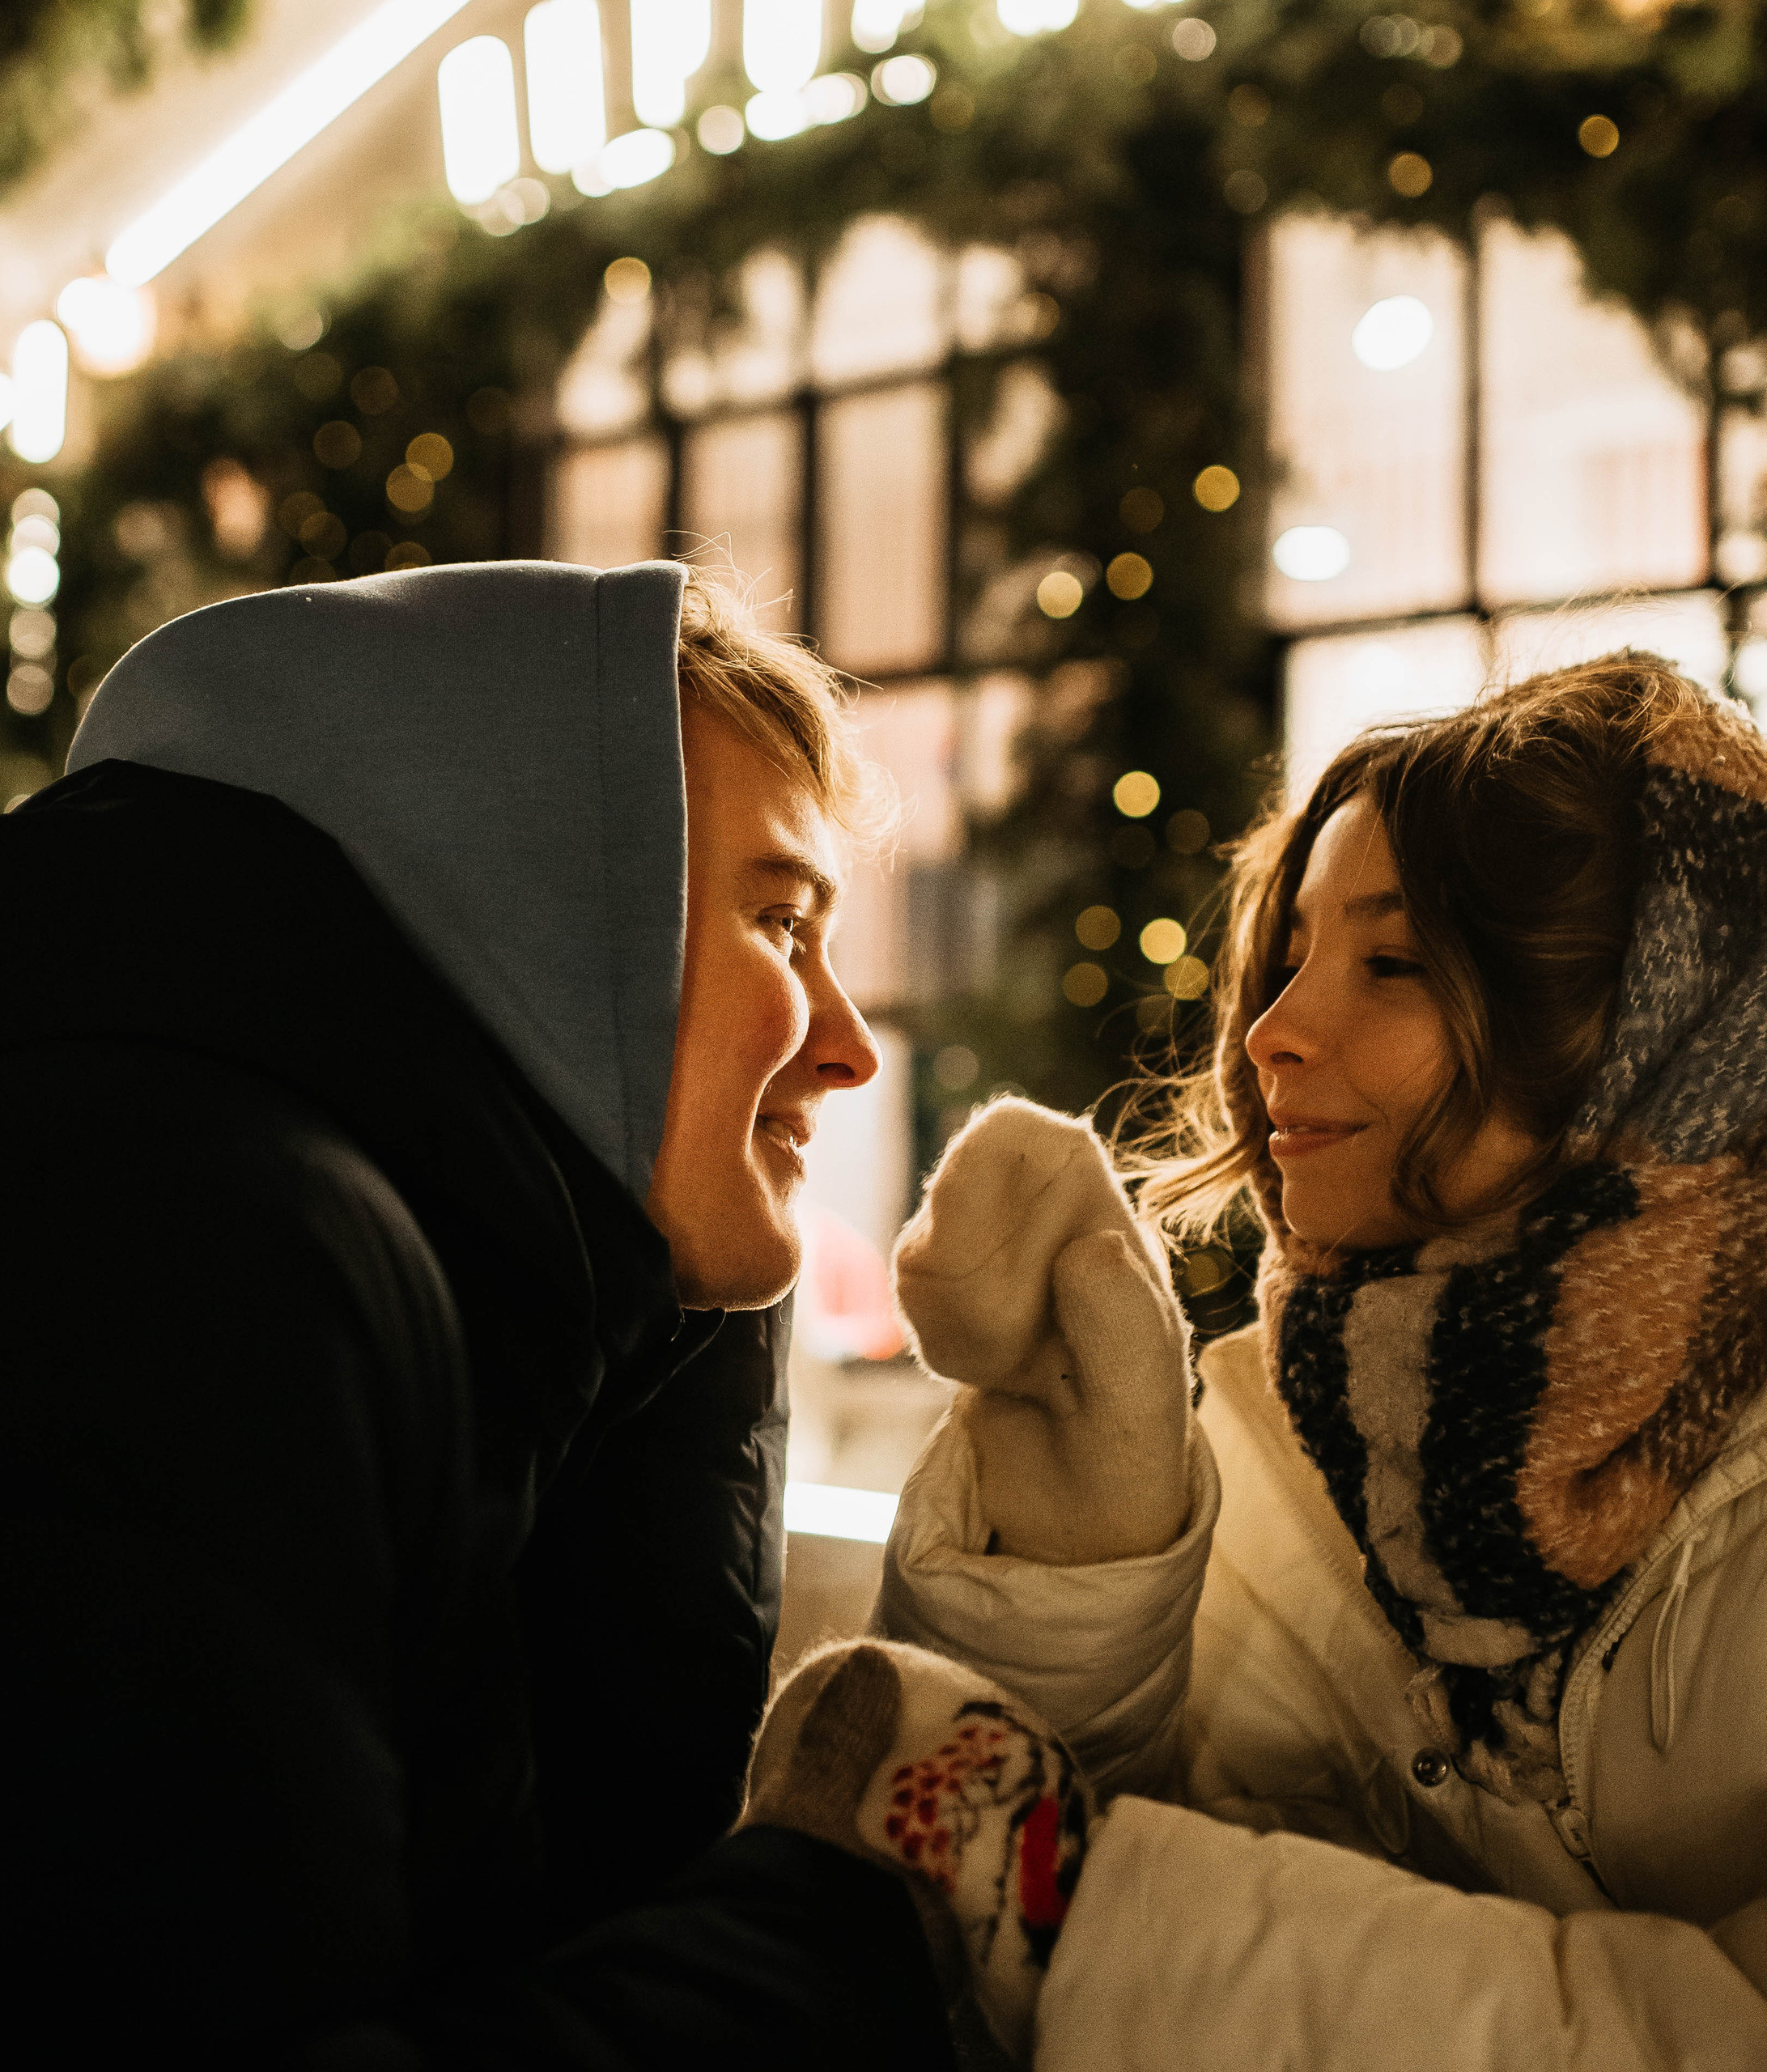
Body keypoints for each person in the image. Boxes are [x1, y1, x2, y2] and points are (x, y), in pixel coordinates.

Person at [0, 559, 973, 2070]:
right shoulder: (163, 1265)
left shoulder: (301, 1239)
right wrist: (855, 1918)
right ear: (543, 918)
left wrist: (673, 1334)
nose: (846, 1045)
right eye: (781, 924)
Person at [746, 654, 1765, 2066]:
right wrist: (1070, 1539)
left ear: (1639, 1025)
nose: (1277, 1031)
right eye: (1288, 956)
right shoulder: (1291, 1431)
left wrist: (1082, 1917)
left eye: (1392, 965)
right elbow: (984, 1923)